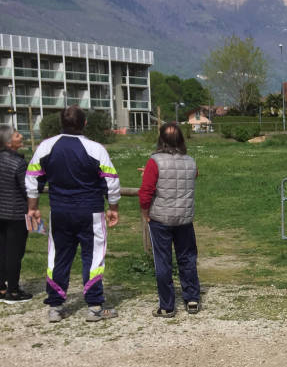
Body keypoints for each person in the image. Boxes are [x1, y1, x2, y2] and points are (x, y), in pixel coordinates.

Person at [26, 106, 119, 322]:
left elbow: (32, 178)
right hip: (90, 211)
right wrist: (113, 208)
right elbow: (111, 182)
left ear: (61, 123)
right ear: (85, 124)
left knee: (58, 256)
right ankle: (95, 307)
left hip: (60, 211)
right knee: (93, 256)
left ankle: (55, 307)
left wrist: (33, 206)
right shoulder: (96, 149)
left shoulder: (45, 146)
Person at [139, 123, 201, 317]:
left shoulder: (154, 161)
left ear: (161, 140)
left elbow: (146, 191)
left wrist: (145, 212)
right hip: (184, 218)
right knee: (187, 258)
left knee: (163, 261)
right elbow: (192, 175)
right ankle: (192, 299)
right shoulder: (191, 161)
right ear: (181, 139)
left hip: (161, 218)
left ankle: (167, 305)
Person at [0, 125, 33, 303]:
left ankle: (1, 287)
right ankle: (13, 290)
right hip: (16, 213)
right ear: (9, 142)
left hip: (1, 212)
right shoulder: (18, 163)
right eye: (17, 134)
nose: (20, 136)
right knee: (15, 252)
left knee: (2, 250)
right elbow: (27, 188)